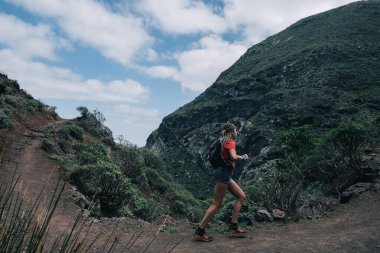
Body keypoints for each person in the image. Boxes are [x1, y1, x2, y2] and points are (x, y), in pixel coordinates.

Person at [193, 122, 249, 242]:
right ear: (231, 131)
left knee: (241, 196)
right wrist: (243, 157)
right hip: (223, 173)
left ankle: (233, 226)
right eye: (235, 130)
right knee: (216, 204)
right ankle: (200, 230)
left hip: (223, 173)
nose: (236, 132)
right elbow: (233, 157)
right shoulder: (230, 141)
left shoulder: (221, 141)